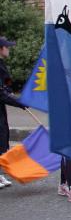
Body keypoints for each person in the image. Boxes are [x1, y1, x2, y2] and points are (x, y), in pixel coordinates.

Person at [0, 36, 25, 189]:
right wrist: (19, 102)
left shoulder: (2, 64)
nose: (9, 49)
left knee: (3, 136)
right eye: (7, 47)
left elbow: (6, 85)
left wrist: (12, 94)